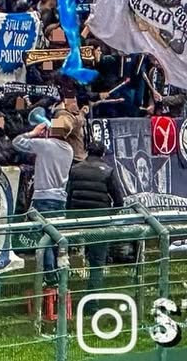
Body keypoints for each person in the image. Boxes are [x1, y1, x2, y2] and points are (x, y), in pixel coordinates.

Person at [13, 116, 73, 282]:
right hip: (60, 199)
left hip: (43, 197)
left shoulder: (45, 145)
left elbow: (17, 142)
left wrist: (33, 133)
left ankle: (49, 275)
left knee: (44, 237)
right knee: (55, 236)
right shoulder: (69, 149)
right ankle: (57, 272)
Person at [66, 141, 124, 288]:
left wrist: (69, 216)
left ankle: (66, 291)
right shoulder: (108, 171)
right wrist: (109, 215)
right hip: (99, 221)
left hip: (77, 221)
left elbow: (69, 195)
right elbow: (119, 200)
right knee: (97, 261)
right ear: (103, 154)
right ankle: (92, 301)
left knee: (65, 256)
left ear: (87, 151)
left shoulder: (74, 169)